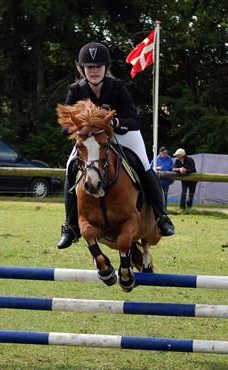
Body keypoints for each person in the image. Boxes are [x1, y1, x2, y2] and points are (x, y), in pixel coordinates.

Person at [56, 41, 175, 250]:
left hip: (122, 135)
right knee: (71, 168)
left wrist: (116, 122)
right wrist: (79, 126)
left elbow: (133, 119)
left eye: (98, 66)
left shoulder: (117, 87)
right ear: (82, 69)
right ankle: (70, 226)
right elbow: (65, 127)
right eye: (89, 67)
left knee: (144, 165)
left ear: (105, 68)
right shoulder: (76, 90)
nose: (93, 71)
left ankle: (162, 216)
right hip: (90, 139)